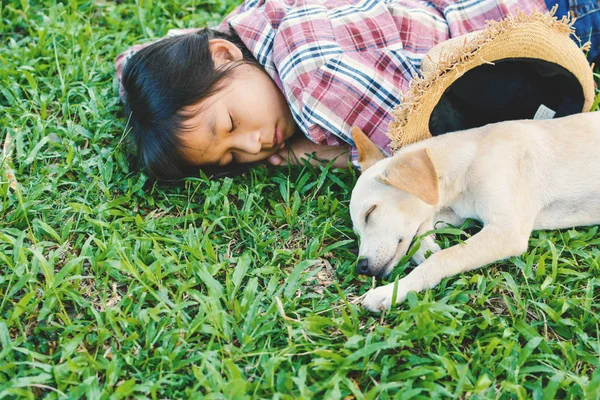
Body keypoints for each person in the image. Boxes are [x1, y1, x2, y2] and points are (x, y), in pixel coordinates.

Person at [115, 0, 599, 181]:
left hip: (555, 19)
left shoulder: (311, 88)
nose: (254, 147)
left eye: (231, 125)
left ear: (223, 56)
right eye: (231, 159)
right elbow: (133, 61)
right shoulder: (259, 19)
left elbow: (421, 147)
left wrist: (321, 153)